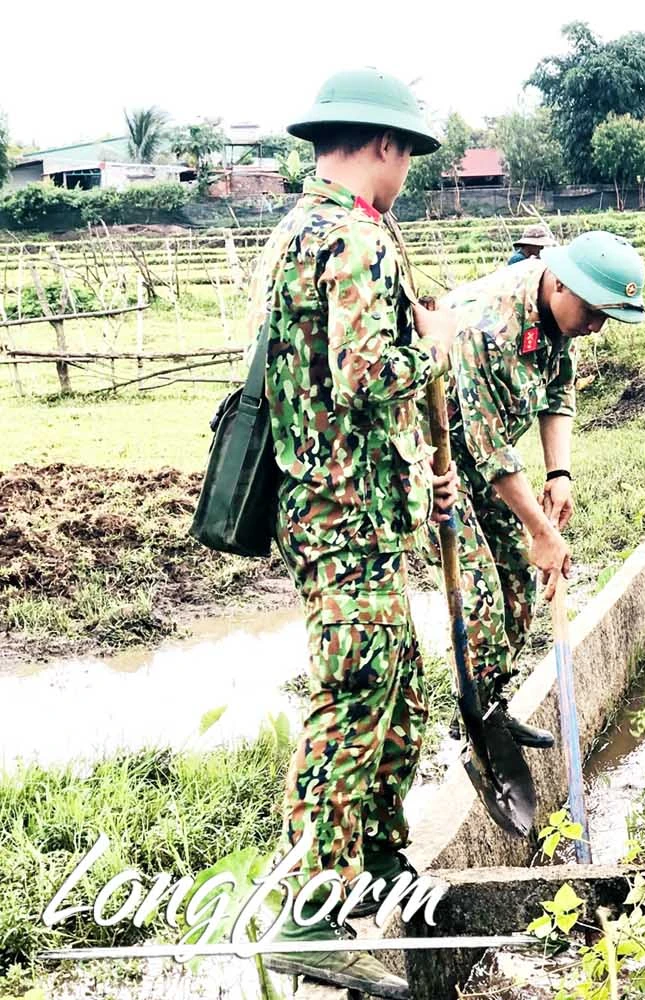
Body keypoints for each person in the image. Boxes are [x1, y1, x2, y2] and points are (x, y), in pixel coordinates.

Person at [259, 68, 456, 997]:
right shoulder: (355, 235)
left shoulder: (300, 229)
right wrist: (435, 338)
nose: (409, 171)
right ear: (383, 147)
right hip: (345, 513)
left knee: (394, 688)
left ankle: (377, 862)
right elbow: (369, 371)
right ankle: (308, 914)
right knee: (352, 696)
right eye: (409, 155)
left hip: (340, 510)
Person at [441, 232, 645, 749]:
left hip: (485, 460)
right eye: (595, 312)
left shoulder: (558, 322)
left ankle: (489, 704)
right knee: (480, 592)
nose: (597, 327)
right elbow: (484, 443)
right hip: (433, 463)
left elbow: (558, 392)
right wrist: (540, 529)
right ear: (559, 284)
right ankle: (474, 728)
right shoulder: (485, 324)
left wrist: (560, 475)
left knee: (517, 581)